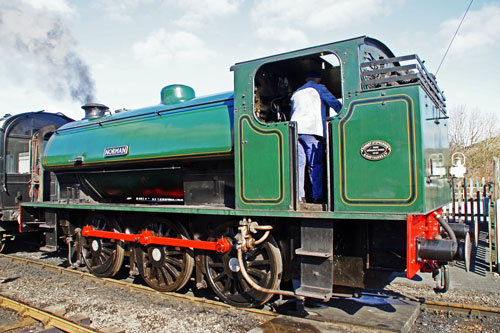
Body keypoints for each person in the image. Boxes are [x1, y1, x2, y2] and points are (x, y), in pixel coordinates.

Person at [291, 70, 342, 204]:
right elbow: (335, 104)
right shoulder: (319, 88)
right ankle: (317, 196)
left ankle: (300, 197)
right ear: (318, 79)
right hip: (312, 130)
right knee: (316, 165)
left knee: (299, 165)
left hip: (295, 131)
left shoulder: (296, 92)